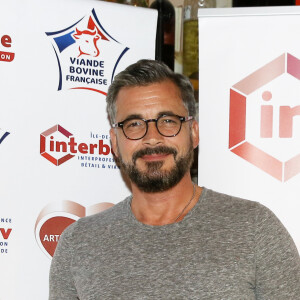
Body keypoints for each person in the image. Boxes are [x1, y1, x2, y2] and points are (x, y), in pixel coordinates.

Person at [49, 59, 300, 299]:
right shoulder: (79, 243)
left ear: (193, 132)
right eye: (135, 124)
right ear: (115, 142)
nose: (153, 138)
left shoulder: (254, 228)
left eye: (168, 121)